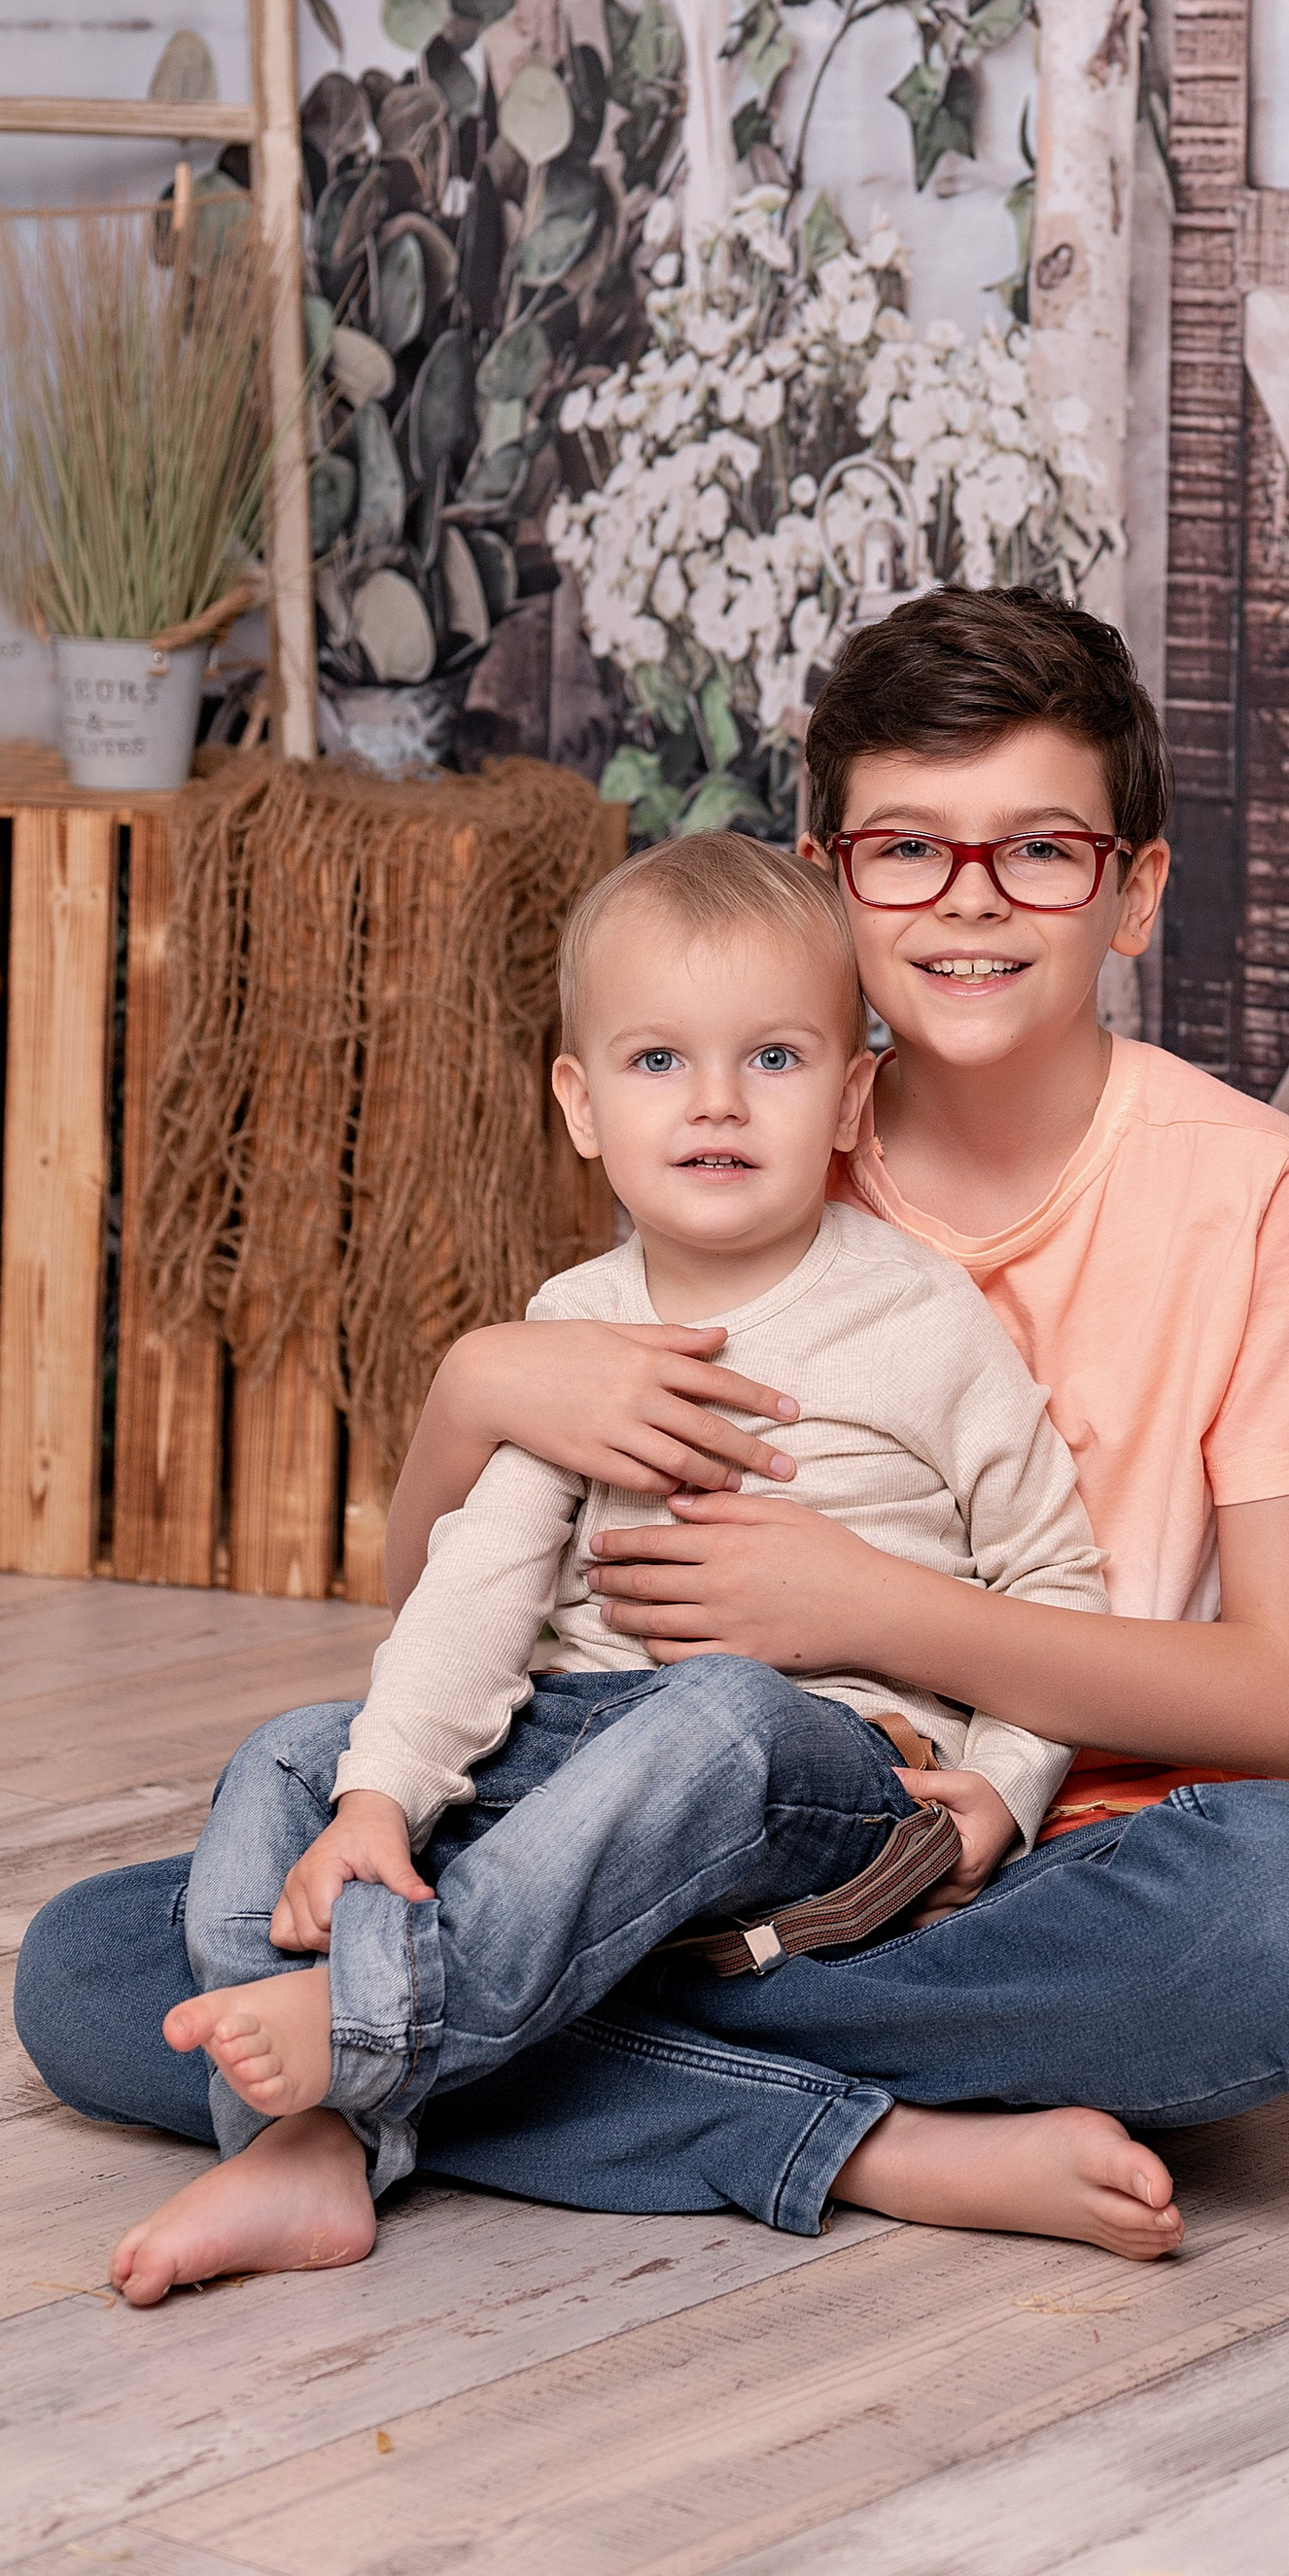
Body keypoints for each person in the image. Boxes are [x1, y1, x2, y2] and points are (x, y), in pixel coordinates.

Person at [15, 588, 1289, 2280]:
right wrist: (478, 1383)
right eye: (909, 850)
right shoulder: (722, 1124)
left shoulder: (1243, 1187)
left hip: (991, 1867)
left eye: (1041, 850)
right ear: (832, 877)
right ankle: (874, 2140)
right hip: (600, 1819)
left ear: (1133, 888)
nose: (971, 901)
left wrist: (867, 1617)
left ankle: (448, 2044)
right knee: (90, 1965)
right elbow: (438, 1609)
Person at [129, 829, 1105, 2294]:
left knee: (719, 1712)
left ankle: (370, 2035)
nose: (715, 1099)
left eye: (772, 1058)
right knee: (287, 1757)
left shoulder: (922, 1318)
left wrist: (1007, 1786)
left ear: (850, 1095)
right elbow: (477, 1591)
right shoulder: (569, 1324)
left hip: (823, 1770)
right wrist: (381, 1802)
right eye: (658, 1062)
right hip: (571, 1765)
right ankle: (310, 2150)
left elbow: (1053, 1583)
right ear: (581, 1105)